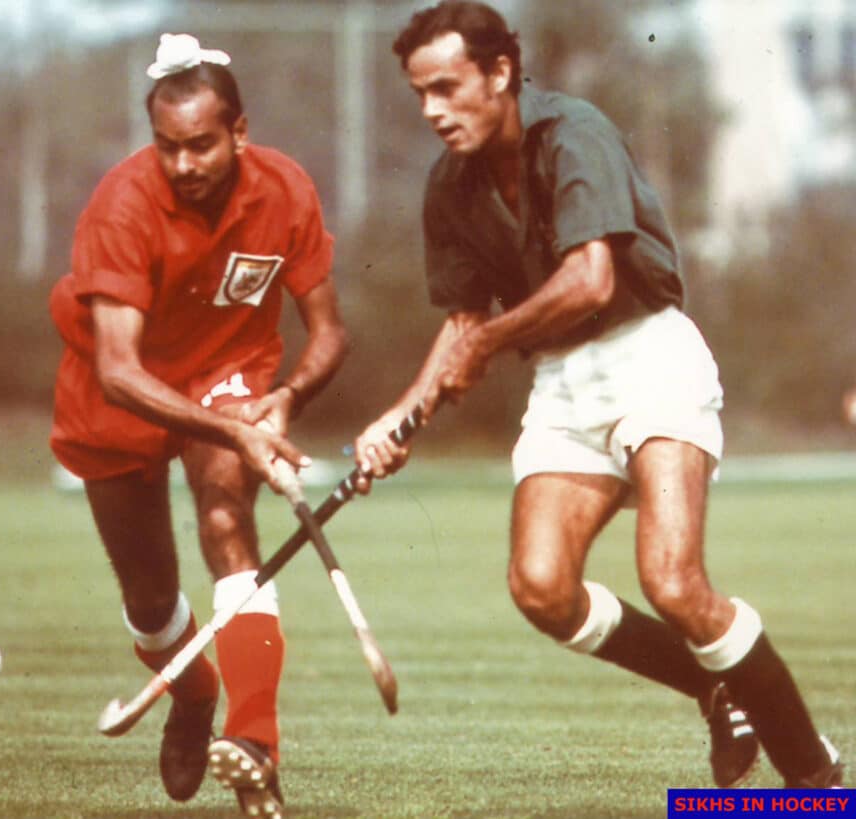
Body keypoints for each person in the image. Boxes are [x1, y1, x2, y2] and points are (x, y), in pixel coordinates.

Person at [355, 0, 843, 790]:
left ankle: (815, 778)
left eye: (447, 88)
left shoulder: (573, 132)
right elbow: (464, 321)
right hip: (561, 382)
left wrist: (485, 342)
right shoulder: (449, 184)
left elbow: (590, 280)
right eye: (420, 95)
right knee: (542, 588)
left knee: (675, 583)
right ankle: (717, 686)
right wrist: (400, 415)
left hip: (649, 356)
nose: (432, 111)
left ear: (501, 73)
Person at [49, 33, 349, 819]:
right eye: (167, 147)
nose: (183, 165)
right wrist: (236, 430)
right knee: (150, 598)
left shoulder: (285, 190)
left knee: (225, 514)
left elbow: (328, 333)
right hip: (120, 387)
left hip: (229, 371)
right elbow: (119, 369)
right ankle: (195, 694)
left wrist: (281, 402)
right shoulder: (123, 205)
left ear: (240, 133)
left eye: (202, 145)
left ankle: (255, 743)